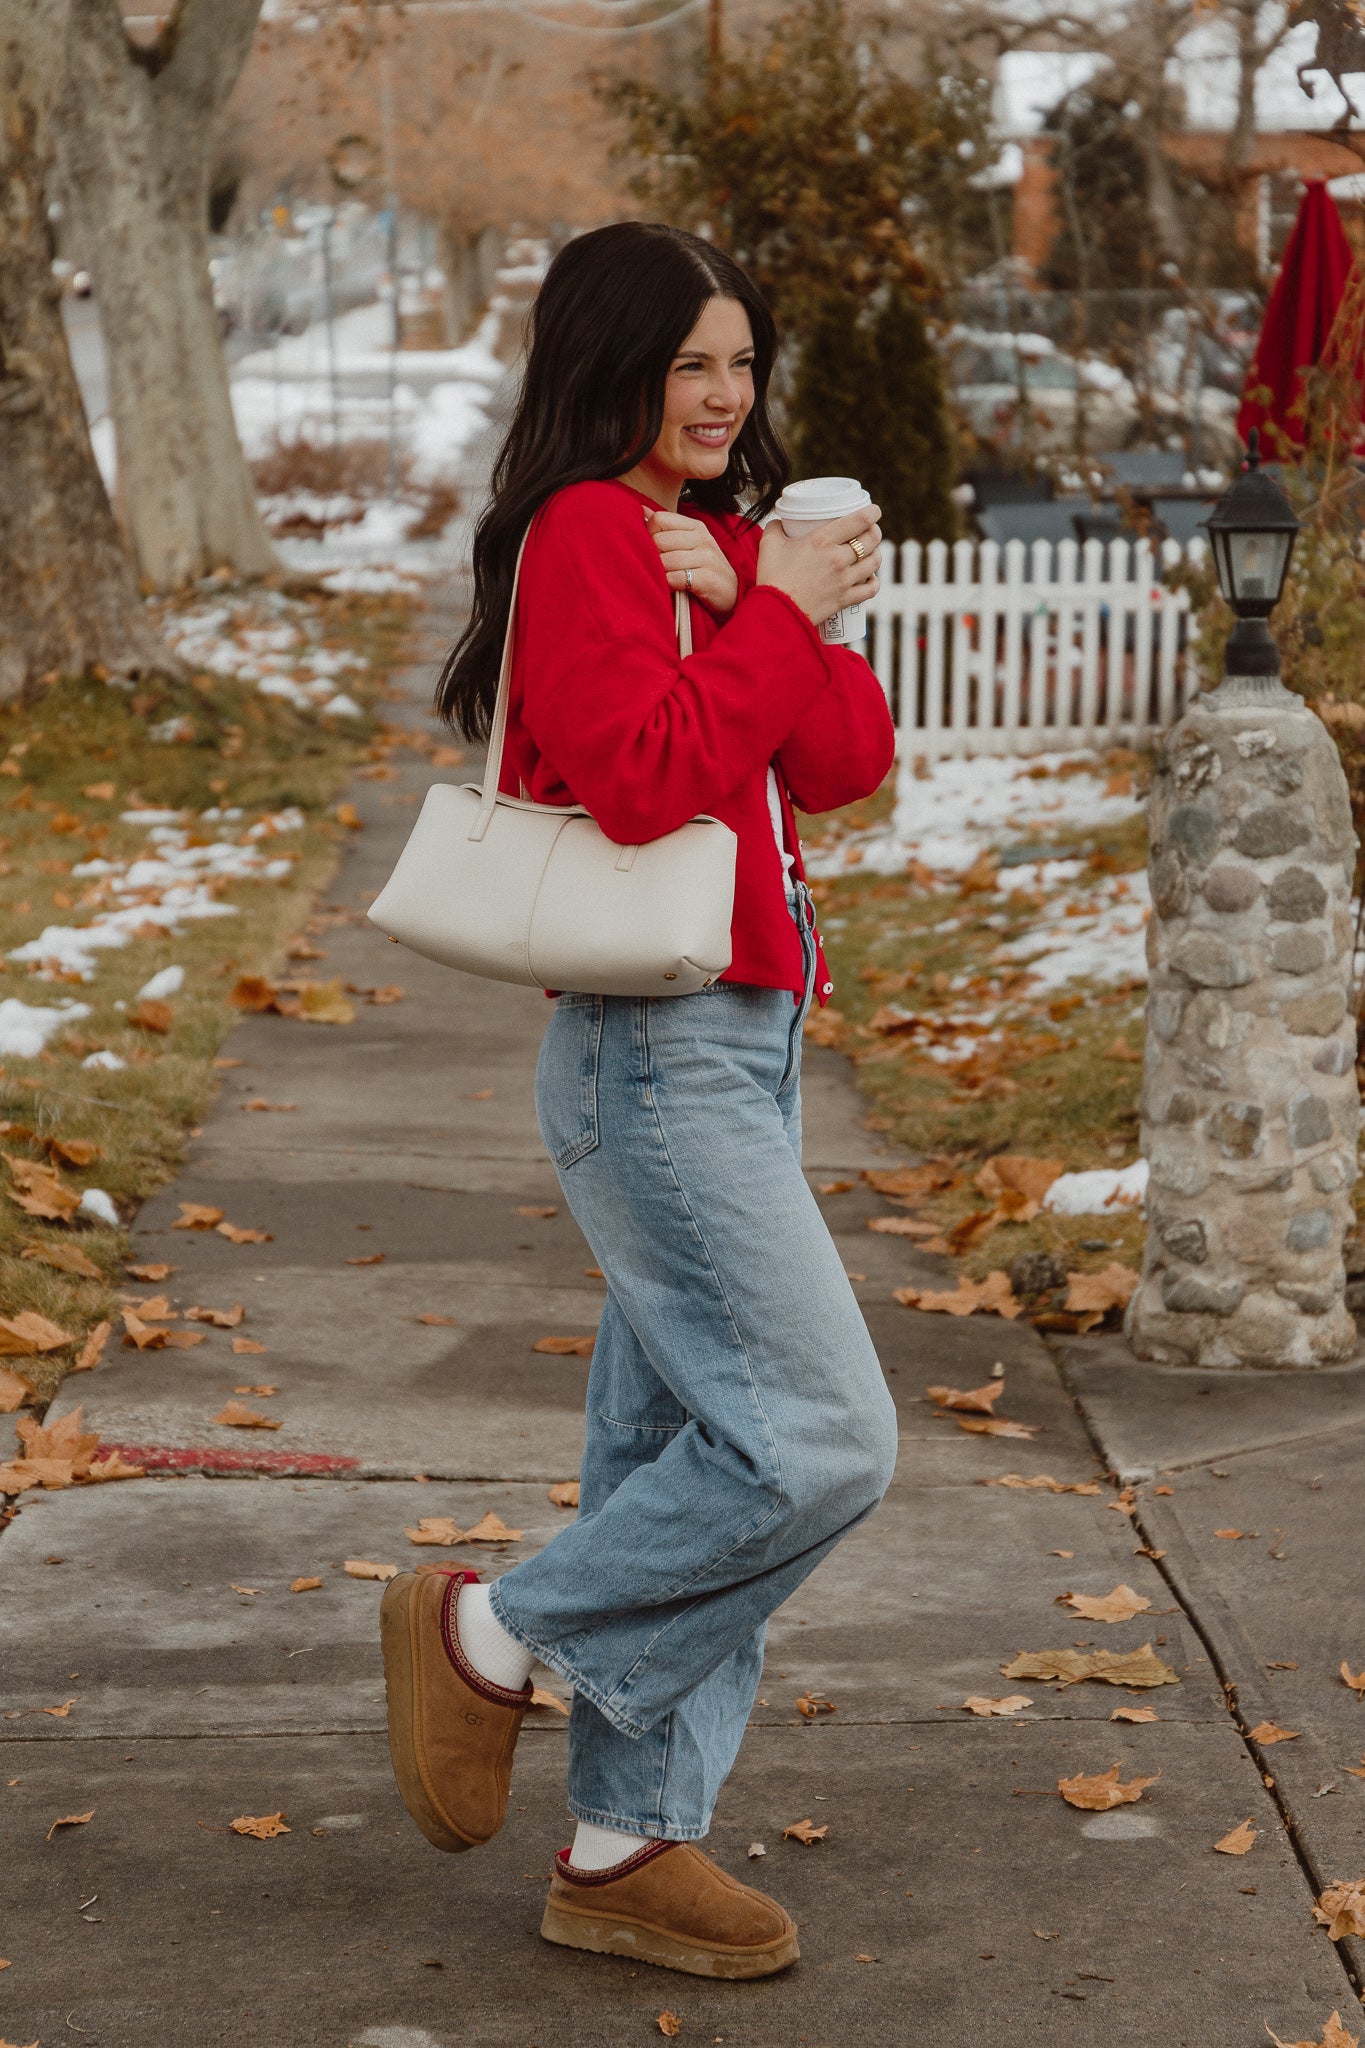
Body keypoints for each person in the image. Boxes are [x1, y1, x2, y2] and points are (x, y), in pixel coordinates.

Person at [380, 220, 899, 1982]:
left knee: (678, 1452)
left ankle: (620, 1848)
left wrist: (774, 598)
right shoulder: (586, 535)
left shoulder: (713, 547)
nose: (725, 395)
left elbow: (843, 766)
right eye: (690, 364)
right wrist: (759, 620)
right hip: (650, 1052)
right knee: (822, 1438)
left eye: (741, 366)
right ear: (612, 365)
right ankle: (494, 1633)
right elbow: (643, 780)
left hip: (743, 1043)